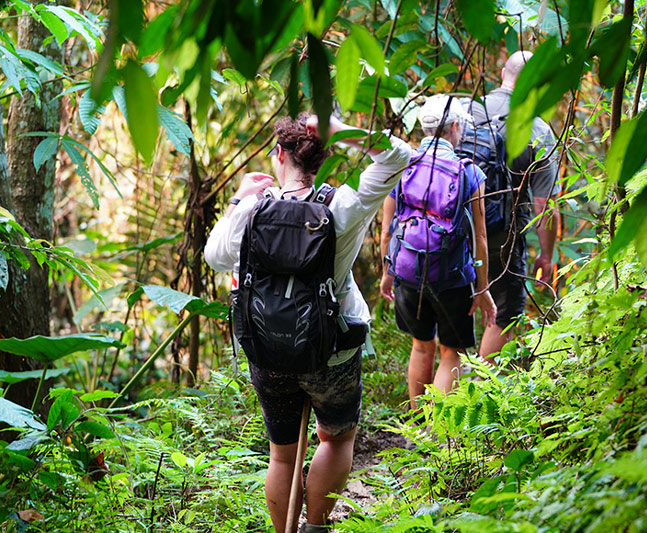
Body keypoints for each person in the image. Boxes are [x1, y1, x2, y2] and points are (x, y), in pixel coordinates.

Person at [205, 112, 410, 533]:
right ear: (324, 156)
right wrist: (337, 128)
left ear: (278, 154)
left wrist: (239, 199)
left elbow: (215, 257)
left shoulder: (252, 210)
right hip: (330, 348)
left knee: (281, 453)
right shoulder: (343, 206)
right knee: (336, 439)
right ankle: (316, 526)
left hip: (266, 346)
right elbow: (396, 157)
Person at [379, 95, 497, 412]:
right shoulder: (468, 173)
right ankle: (436, 431)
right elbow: (480, 236)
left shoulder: (402, 164)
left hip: (407, 272)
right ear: (455, 127)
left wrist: (387, 270)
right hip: (452, 277)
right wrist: (482, 287)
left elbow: (387, 226)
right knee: (451, 352)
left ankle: (418, 427)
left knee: (420, 346)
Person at [462, 50, 562, 363]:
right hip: (500, 236)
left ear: (503, 72)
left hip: (453, 227)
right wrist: (546, 255)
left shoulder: (465, 112)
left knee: (456, 310)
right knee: (504, 314)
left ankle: (441, 398)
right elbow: (545, 204)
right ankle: (481, 392)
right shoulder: (538, 129)